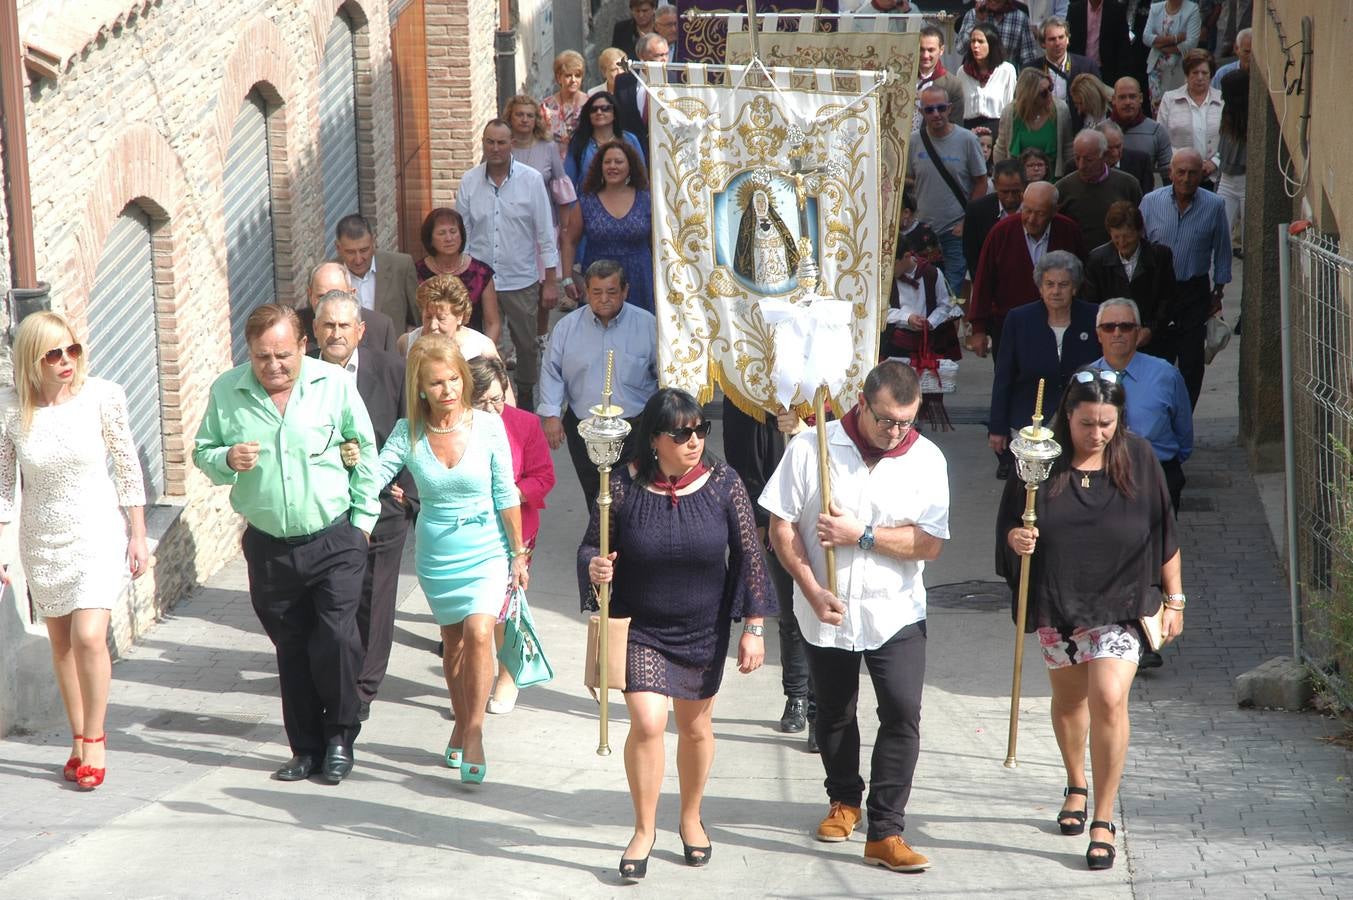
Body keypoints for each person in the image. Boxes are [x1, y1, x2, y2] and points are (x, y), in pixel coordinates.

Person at [761, 361, 950, 874]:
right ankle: (843, 800)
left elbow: (929, 543)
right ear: (862, 403)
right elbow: (780, 527)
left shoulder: (927, 459)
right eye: (886, 420)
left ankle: (886, 829)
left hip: (896, 611)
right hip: (826, 606)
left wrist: (860, 534)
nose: (895, 433)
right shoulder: (811, 447)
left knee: (902, 712)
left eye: (906, 422)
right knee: (835, 711)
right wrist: (810, 586)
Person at [580, 388, 775, 879]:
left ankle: (690, 816)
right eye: (681, 433)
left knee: (693, 728)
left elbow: (750, 555)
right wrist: (596, 567)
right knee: (647, 723)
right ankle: (643, 828)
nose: (694, 440)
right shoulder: (619, 487)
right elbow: (590, 548)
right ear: (654, 440)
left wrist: (754, 627)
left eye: (700, 430)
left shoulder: (724, 483)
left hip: (702, 629)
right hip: (641, 627)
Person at [997, 367, 1184, 870]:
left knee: (1107, 697)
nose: (1097, 433)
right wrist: (1019, 541)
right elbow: (1010, 528)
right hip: (1060, 601)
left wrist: (1176, 598)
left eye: (1106, 423)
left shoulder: (1140, 458)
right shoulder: (1038, 461)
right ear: (1068, 417)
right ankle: (1075, 782)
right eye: (1087, 423)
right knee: (1070, 700)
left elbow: (1164, 530)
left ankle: (1103, 817)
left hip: (1123, 604)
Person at [193, 304, 380, 785]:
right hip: (270, 546)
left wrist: (362, 522)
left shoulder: (332, 385)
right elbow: (203, 450)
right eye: (261, 357)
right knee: (291, 646)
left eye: (282, 355)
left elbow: (365, 449)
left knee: (337, 638)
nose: (273, 366)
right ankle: (305, 747)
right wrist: (227, 459)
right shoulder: (227, 392)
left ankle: (340, 736)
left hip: (334, 536)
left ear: (303, 346)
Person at [0, 312, 148, 790]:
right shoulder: (11, 413)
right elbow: (4, 490)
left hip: (97, 532)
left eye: (72, 350)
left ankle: (97, 738)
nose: (66, 361)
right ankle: (78, 737)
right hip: (41, 540)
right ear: (32, 360)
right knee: (60, 644)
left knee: (88, 636)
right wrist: (3, 550)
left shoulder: (103, 396)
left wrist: (138, 534)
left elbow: (127, 466)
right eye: (53, 354)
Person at [374, 334, 529, 785]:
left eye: (454, 380)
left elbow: (505, 492)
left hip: (487, 546)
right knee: (454, 642)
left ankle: (475, 731)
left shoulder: (488, 425)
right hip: (438, 550)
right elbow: (375, 476)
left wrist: (518, 554)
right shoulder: (409, 432)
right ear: (420, 388)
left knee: (481, 630)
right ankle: (461, 723)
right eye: (437, 383)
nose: (448, 390)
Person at [312, 291, 414, 722]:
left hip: (383, 505)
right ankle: (333, 678)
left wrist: (408, 493)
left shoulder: (392, 370)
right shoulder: (302, 375)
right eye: (328, 326)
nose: (336, 334)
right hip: (320, 509)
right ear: (316, 331)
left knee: (373, 597)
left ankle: (363, 689)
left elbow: (413, 426)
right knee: (333, 602)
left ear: (361, 331)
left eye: (343, 326)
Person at [720, 398, 818, 751]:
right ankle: (796, 697)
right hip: (776, 515)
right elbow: (742, 457)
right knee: (792, 612)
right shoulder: (746, 388)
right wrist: (759, 521)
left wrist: (804, 431)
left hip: (824, 516)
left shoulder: (831, 384)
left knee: (823, 614)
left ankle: (821, 710)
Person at [467, 356, 555, 716]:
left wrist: (510, 493)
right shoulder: (456, 426)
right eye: (481, 401)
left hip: (514, 529)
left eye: (496, 399)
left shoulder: (524, 424)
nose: (490, 408)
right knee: (473, 612)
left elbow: (544, 478)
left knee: (504, 609)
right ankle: (473, 679)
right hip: (468, 528)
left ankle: (506, 674)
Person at [457, 119, 561, 411]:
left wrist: (551, 281)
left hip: (520, 280)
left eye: (502, 142)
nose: (496, 148)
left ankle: (526, 398)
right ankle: (483, 396)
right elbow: (462, 233)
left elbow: (545, 233)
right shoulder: (469, 181)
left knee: (526, 346)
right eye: (490, 142)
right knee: (480, 343)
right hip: (480, 281)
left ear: (511, 144)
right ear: (483, 144)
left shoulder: (530, 180)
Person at [537, 260, 657, 511]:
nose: (604, 299)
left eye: (612, 292)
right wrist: (551, 415)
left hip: (634, 428)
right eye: (597, 292)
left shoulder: (647, 325)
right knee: (595, 495)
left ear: (625, 291)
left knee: (632, 496)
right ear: (586, 292)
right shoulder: (566, 328)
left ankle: (628, 547)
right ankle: (601, 546)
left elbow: (663, 376)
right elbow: (552, 371)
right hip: (584, 427)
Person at [988, 250, 1102, 473]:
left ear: (1075, 288)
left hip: (1081, 421)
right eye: (1049, 284)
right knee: (1030, 489)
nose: (1056, 291)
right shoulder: (1019, 319)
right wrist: (997, 427)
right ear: (1040, 287)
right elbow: (1004, 376)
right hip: (1029, 423)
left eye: (1063, 284)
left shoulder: (1093, 317)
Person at [1139, 148, 1230, 408]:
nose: (1187, 179)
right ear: (1171, 174)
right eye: (1181, 172)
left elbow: (1222, 251)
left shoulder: (1214, 205)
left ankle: (1184, 418)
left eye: (1193, 173)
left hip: (1194, 292)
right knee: (1157, 359)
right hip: (1159, 291)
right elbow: (1141, 245)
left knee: (1191, 362)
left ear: (1202, 175)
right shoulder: (1150, 202)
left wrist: (1218, 292)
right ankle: (1159, 414)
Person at [1092, 297, 1192, 517]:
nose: (1117, 333)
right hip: (1102, 480)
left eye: (1126, 326)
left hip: (1157, 477)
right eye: (1109, 327)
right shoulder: (1084, 380)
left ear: (1138, 333)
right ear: (1099, 334)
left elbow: (1183, 432)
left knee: (1158, 549)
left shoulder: (1166, 374)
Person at [968, 181, 1088, 363]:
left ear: (1054, 211)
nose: (1031, 219)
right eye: (1027, 210)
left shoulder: (1068, 231)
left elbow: (1082, 279)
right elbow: (983, 281)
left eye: (1040, 214)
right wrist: (978, 330)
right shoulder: (1001, 232)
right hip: (1010, 326)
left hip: (1060, 324)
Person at [908, 85, 990, 295]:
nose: (936, 114)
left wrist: (967, 221)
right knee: (926, 291)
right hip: (924, 232)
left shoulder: (967, 140)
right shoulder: (914, 141)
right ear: (921, 112)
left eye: (941, 108)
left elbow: (981, 181)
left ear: (950, 109)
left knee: (951, 292)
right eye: (929, 110)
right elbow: (908, 179)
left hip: (956, 230)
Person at [560, 140, 655, 314]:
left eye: (618, 162)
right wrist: (567, 278)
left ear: (630, 166)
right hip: (599, 280)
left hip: (640, 278)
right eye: (607, 162)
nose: (612, 166)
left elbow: (658, 243)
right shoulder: (587, 201)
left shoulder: (647, 199)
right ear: (600, 167)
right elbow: (569, 240)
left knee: (640, 332)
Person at [1080, 200, 1176, 352]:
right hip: (1111, 341)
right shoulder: (1096, 260)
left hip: (1151, 342)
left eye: (1127, 236)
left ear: (1139, 232)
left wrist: (1150, 330)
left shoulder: (1160, 256)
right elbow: (1091, 303)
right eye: (1116, 237)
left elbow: (1167, 299)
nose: (1122, 242)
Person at [414, 208, 501, 342]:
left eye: (453, 231)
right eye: (442, 233)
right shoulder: (416, 273)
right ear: (430, 239)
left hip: (471, 348)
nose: (449, 238)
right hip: (428, 347)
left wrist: (482, 354)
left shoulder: (481, 273)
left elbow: (492, 323)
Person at [882, 223, 962, 366]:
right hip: (896, 343)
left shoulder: (932, 273)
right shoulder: (887, 279)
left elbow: (944, 305)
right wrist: (907, 318)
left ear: (906, 256)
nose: (888, 270)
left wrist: (930, 322)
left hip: (928, 340)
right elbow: (882, 310)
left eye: (892, 264)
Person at [1054, 129, 1143, 249]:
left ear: (1105, 155)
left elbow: (1139, 226)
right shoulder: (1062, 188)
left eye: (1088, 160)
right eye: (1077, 158)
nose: (1081, 166)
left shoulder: (1128, 184)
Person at [334, 214, 420, 331]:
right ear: (338, 248)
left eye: (364, 250)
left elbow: (418, 319)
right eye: (350, 252)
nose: (358, 259)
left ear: (373, 242)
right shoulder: (326, 275)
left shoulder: (401, 266)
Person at [1155, 49, 1222, 189]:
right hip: (1178, 176)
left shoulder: (1222, 100)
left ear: (1211, 75)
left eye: (1204, 73)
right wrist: (1181, 164)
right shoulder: (1170, 99)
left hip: (1213, 176)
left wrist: (1214, 162)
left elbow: (1229, 138)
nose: (1200, 77)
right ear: (1187, 74)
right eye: (1195, 72)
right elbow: (1161, 138)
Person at [399, 275, 503, 364]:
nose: (432, 326)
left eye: (441, 318)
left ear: (459, 317)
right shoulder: (406, 343)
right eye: (428, 317)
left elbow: (500, 386)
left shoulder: (482, 348)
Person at [298, 261, 397, 353]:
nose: (329, 304)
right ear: (310, 294)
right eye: (322, 296)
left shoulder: (380, 327)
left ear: (352, 294)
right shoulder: (295, 326)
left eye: (338, 295)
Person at [994, 68, 1075, 178]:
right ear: (1030, 95)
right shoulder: (1010, 113)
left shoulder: (1061, 110)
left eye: (1050, 88)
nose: (1050, 94)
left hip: (1053, 182)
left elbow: (1068, 149)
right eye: (1044, 93)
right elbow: (1000, 151)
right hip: (1019, 182)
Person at [565, 91, 646, 192]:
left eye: (605, 108)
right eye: (593, 110)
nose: (599, 112)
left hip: (626, 203)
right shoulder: (579, 142)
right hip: (587, 204)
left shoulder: (630, 140)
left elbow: (642, 178)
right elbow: (568, 183)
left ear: (614, 113)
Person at [963, 159, 1025, 280]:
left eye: (1016, 191)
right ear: (995, 184)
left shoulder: (1034, 208)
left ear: (1024, 185)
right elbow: (971, 254)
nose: (1010, 198)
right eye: (1004, 192)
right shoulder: (977, 211)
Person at [1038, 15, 1102, 128]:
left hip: (1078, 132)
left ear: (1068, 39)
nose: (1058, 43)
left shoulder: (1087, 67)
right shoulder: (1032, 69)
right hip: (1044, 132)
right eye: (1052, 39)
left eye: (1061, 37)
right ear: (1043, 43)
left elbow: (1098, 105)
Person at [955, 22, 1017, 134]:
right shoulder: (962, 72)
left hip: (997, 130)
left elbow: (1010, 108)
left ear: (991, 44)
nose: (975, 46)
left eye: (980, 41)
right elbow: (960, 109)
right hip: (970, 130)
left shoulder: (1006, 70)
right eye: (973, 41)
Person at [613, 32, 669, 153]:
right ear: (641, 56)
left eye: (666, 54)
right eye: (659, 55)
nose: (664, 60)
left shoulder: (675, 81)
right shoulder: (623, 82)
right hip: (632, 151)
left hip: (664, 151)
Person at [1110, 77, 1174, 177]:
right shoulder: (1099, 132)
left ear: (1141, 98)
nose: (1127, 102)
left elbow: (1168, 174)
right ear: (1114, 99)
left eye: (1132, 96)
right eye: (1122, 97)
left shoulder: (1157, 131)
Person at [1143, 0, 1202, 108]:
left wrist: (1159, 45)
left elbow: (1191, 44)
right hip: (1156, 70)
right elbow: (1146, 38)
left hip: (1179, 70)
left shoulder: (1192, 9)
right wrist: (1175, 38)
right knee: (1157, 110)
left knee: (1176, 110)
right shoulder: (1155, 8)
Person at [1216, 65, 1247, 256]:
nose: (1222, 98)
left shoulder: (1249, 118)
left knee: (1248, 237)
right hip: (1227, 177)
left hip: (1245, 179)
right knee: (1220, 232)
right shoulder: (1227, 115)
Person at [956, 0, 1040, 70]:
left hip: (1006, 78)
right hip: (975, 77)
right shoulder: (973, 14)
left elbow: (1029, 58)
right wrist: (978, 21)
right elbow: (960, 48)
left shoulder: (1020, 18)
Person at [1069, 0, 1135, 89]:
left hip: (1108, 72)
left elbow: (1123, 47)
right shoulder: (1075, 9)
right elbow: (1070, 43)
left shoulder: (1117, 9)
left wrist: (1123, 77)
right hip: (1080, 70)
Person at [913, 24, 965, 131]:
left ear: (941, 50)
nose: (925, 55)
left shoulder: (953, 85)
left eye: (931, 50)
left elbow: (955, 126)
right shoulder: (903, 78)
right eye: (921, 50)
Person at [541, 50, 587, 158]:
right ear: (558, 77)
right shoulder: (546, 107)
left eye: (577, 75)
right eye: (568, 76)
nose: (573, 80)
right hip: (554, 161)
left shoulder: (590, 104)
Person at [1097, 119, 1155, 194]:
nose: (1115, 153)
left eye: (1118, 146)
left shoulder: (1141, 162)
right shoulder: (1089, 163)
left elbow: (1147, 198)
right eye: (1109, 148)